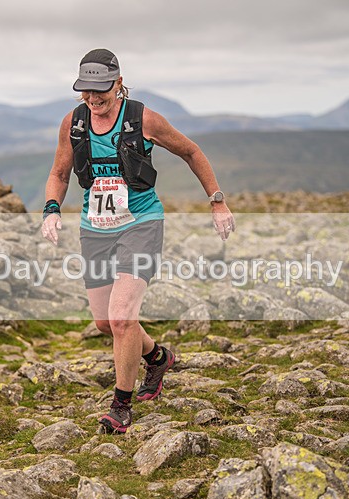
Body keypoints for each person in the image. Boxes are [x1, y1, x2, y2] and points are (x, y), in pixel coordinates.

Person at [41, 49, 236, 433]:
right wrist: (51, 208)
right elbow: (60, 173)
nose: (93, 99)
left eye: (101, 90)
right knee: (104, 322)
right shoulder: (73, 123)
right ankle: (158, 357)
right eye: (86, 91)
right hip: (95, 227)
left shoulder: (143, 119)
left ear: (118, 82)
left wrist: (217, 202)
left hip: (141, 223)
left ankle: (121, 406)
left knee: (122, 317)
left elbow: (191, 151)